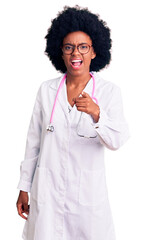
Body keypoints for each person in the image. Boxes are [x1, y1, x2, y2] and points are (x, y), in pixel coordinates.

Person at [16, 5, 130, 240]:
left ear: (94, 52)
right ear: (61, 51)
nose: (75, 54)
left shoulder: (109, 92)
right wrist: (23, 187)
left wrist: (97, 114)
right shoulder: (47, 90)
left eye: (83, 47)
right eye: (69, 47)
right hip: (48, 193)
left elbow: (118, 140)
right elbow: (33, 144)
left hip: (87, 200)